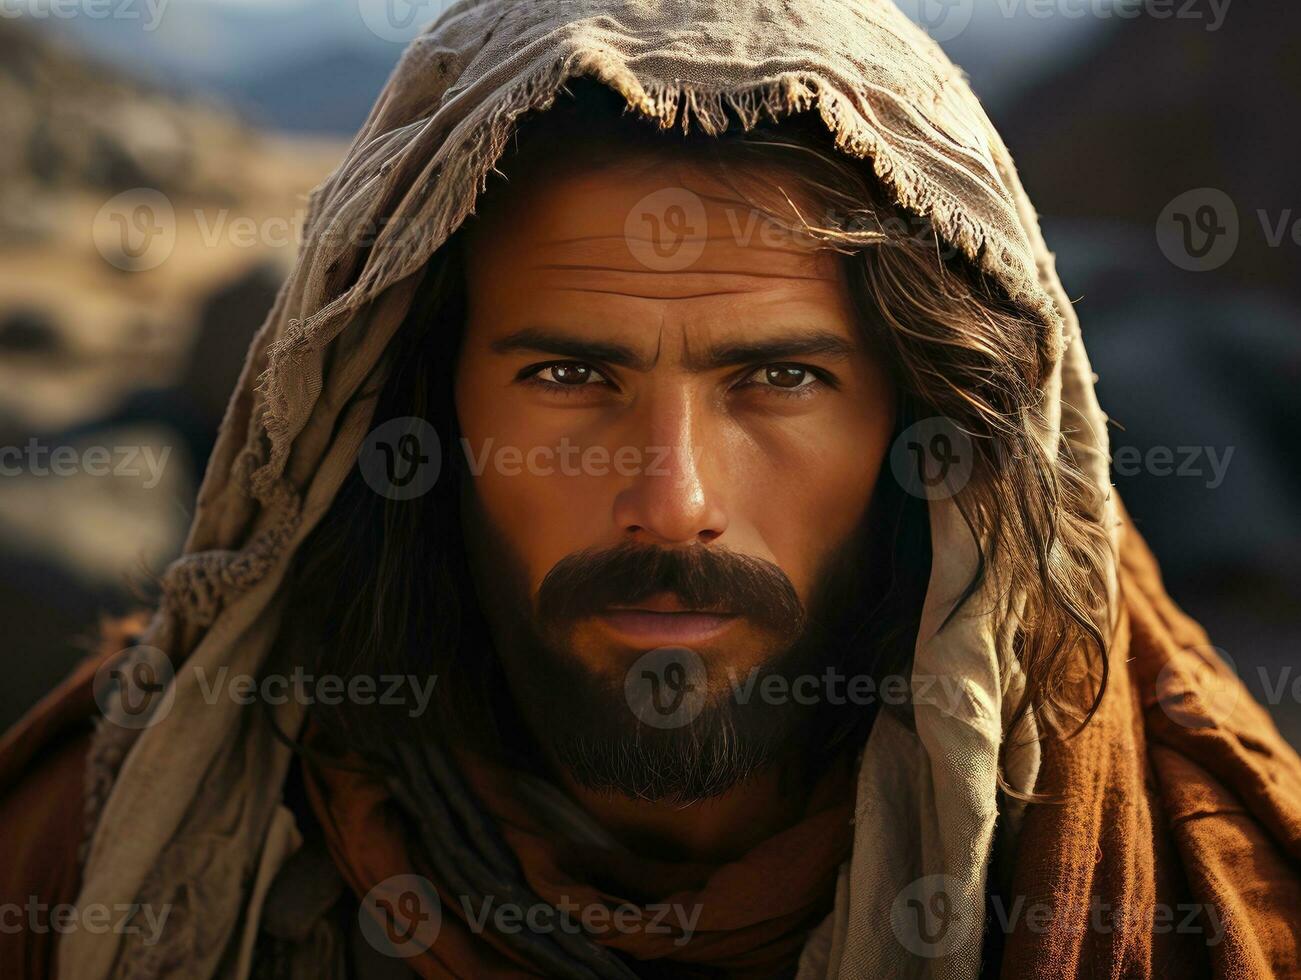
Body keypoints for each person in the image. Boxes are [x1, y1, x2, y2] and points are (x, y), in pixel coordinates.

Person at [2, 1, 1298, 977]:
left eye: (780, 379)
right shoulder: (88, 846)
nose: (671, 500)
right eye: (568, 374)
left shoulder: (1209, 890)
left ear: (928, 431)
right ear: (417, 410)